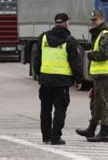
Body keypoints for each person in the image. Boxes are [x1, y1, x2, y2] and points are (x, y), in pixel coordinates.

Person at [33, 13, 83, 145]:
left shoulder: (43, 37)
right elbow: (76, 62)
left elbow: (36, 58)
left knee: (45, 109)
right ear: (66, 23)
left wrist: (38, 74)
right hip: (62, 82)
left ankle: (46, 137)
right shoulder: (69, 40)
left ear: (55, 23)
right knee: (60, 110)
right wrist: (79, 80)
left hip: (46, 80)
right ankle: (55, 137)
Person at [76, 10, 108, 143]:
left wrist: (90, 55)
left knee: (102, 103)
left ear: (102, 19)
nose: (93, 22)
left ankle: (104, 132)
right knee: (95, 102)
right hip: (100, 74)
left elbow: (106, 54)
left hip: (105, 74)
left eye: (96, 20)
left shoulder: (105, 35)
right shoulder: (99, 34)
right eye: (92, 20)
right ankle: (91, 128)